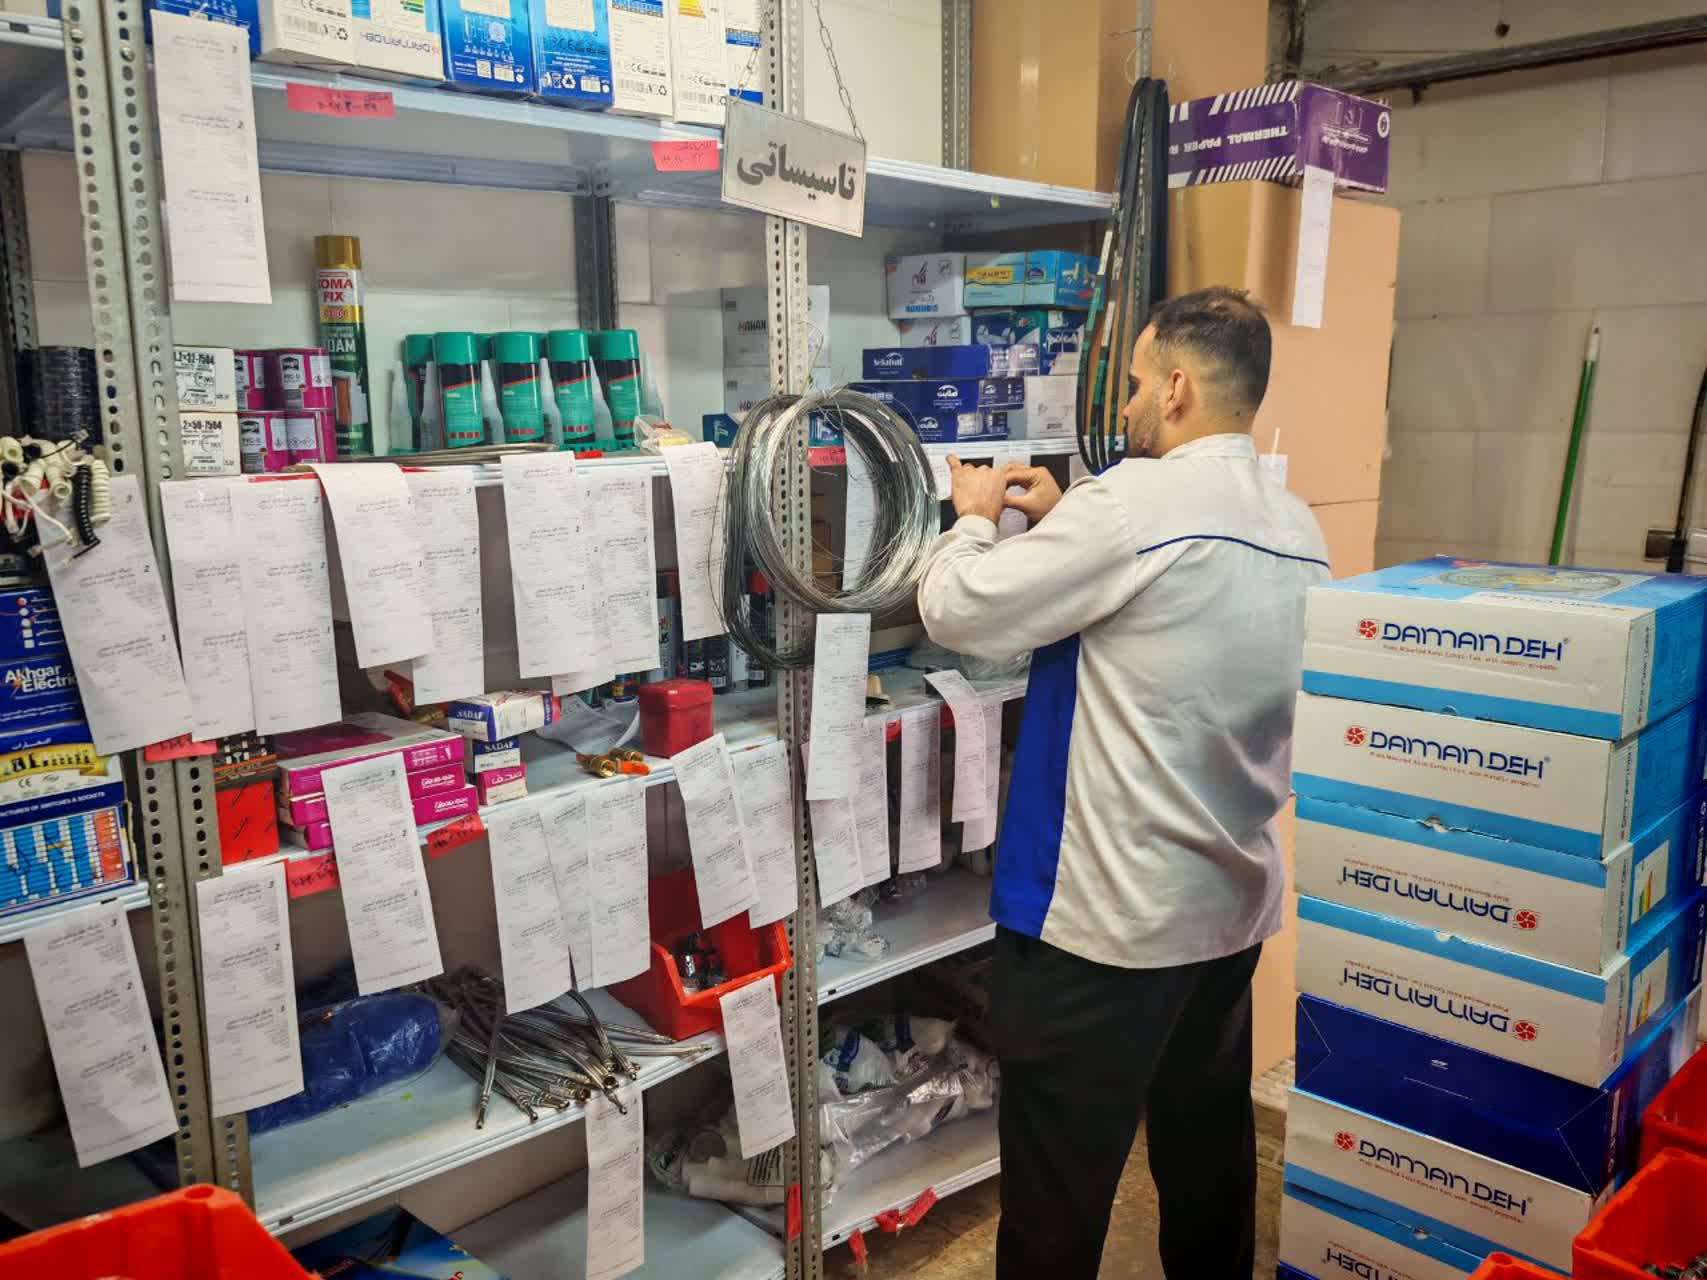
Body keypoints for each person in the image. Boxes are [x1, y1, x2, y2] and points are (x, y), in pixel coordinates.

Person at [915, 286, 1330, 1279]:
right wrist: (1072, 523)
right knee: (1206, 1158)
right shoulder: (1297, 525)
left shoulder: (1132, 502)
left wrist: (972, 521)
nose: (1132, 403)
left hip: (1106, 929)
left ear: (1178, 387)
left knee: (1058, 1198)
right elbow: (1174, 613)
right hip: (1225, 914)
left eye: (1139, 383)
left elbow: (959, 610)